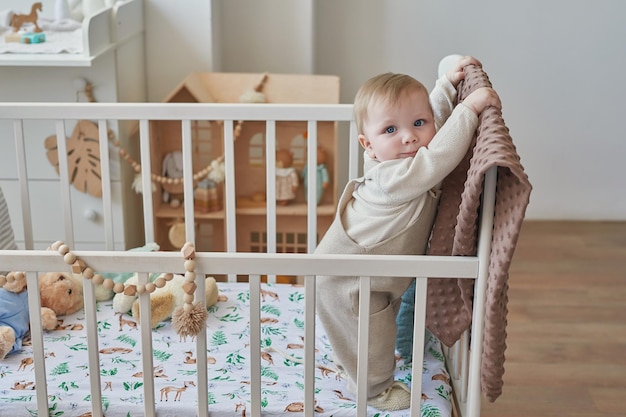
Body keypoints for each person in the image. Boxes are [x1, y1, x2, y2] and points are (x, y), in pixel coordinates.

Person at [314, 56, 501, 411]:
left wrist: (446, 86)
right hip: (348, 280)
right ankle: (374, 390)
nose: (409, 136)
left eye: (417, 123)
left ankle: (353, 362)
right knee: (373, 340)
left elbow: (435, 123)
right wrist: (469, 111)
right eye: (390, 131)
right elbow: (438, 156)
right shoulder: (393, 178)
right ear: (366, 145)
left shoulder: (408, 156)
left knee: (369, 332)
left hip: (372, 277)